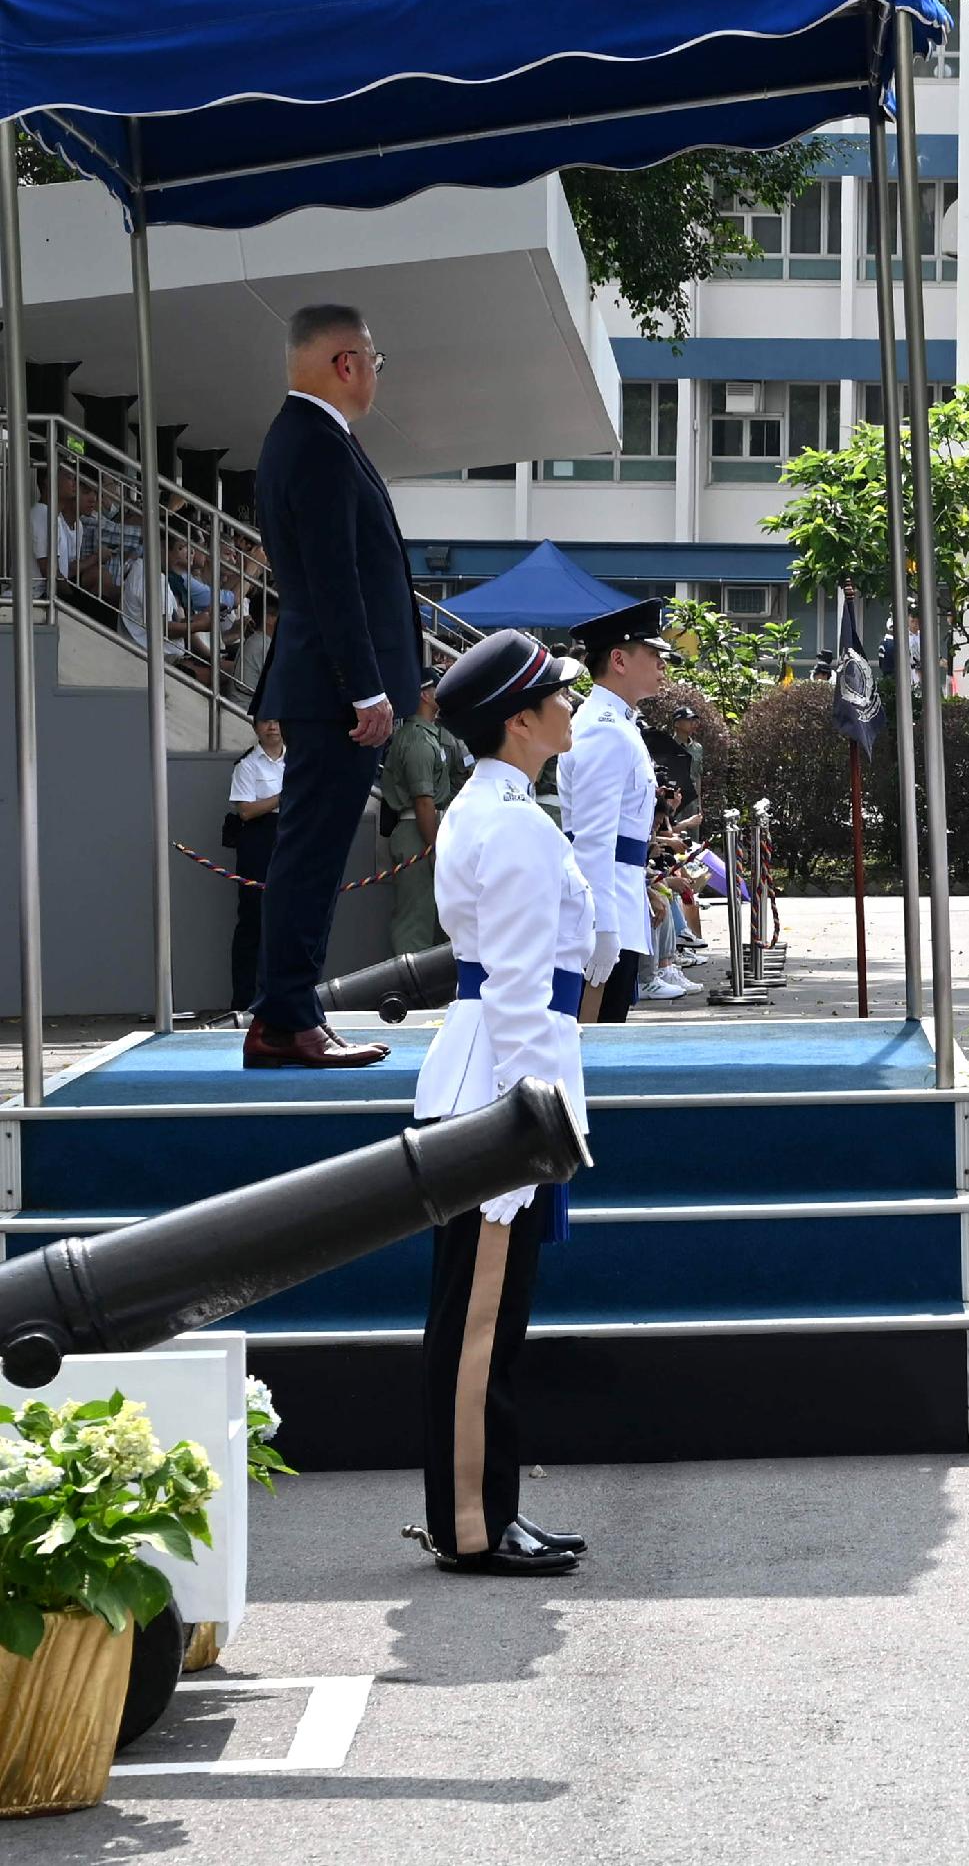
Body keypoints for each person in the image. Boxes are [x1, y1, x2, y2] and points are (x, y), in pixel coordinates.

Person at [410, 628, 594, 1576]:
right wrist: (534, 1121)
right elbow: (523, 989)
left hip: (489, 1067)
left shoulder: (496, 806)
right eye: (558, 695)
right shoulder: (514, 822)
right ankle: (474, 1523)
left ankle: (483, 1510)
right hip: (505, 1080)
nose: (573, 702)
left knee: (482, 1312)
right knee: (483, 1318)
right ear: (520, 722)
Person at [246, 304, 423, 1069]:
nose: (378, 375)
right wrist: (364, 690)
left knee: (312, 853)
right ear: (347, 362)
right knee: (312, 854)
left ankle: (292, 1011)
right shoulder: (315, 443)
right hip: (334, 693)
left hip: (327, 689)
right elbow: (332, 580)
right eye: (376, 361)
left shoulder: (311, 438)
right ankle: (285, 1016)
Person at [557, 599, 668, 1024]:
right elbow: (593, 840)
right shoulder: (604, 730)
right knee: (592, 1039)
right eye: (653, 654)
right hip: (606, 910)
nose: (662, 664)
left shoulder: (618, 724)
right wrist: (602, 926)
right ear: (619, 659)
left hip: (620, 899)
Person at [378, 685, 467, 958]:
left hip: (431, 827)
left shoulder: (435, 734)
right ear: (425, 695)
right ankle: (408, 995)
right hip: (419, 831)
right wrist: (434, 845)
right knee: (415, 919)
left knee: (440, 919)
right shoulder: (417, 738)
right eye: (436, 687)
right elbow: (423, 800)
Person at [223, 718, 287, 1015]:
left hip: (289, 840)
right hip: (258, 846)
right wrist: (282, 799)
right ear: (256, 727)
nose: (271, 727)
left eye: (276, 721)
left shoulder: (297, 759)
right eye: (265, 722)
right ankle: (245, 1001)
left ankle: (283, 997)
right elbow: (246, 810)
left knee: (287, 922)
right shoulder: (247, 764)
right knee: (252, 922)